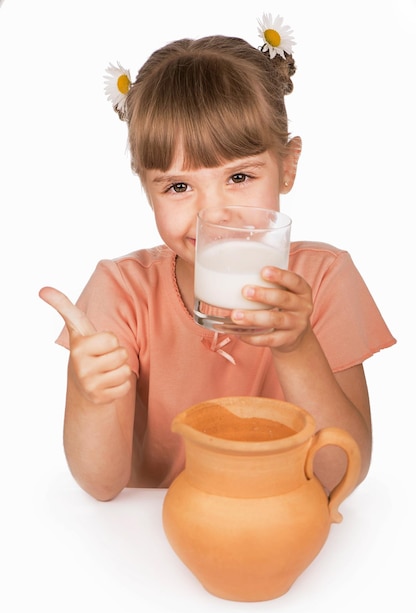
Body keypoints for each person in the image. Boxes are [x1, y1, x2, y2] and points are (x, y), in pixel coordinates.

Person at [39, 14, 396, 502]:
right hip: (148, 538)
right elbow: (101, 486)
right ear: (147, 189)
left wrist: (297, 347)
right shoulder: (121, 291)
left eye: (240, 177)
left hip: (274, 524)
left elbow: (342, 474)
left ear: (287, 168)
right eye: (180, 186)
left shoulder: (324, 278)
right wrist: (90, 395)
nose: (214, 214)